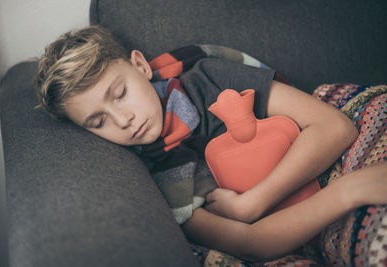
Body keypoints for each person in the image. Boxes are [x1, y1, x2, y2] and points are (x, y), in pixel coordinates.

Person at [35, 25, 387, 262]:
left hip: (338, 143)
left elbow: (335, 126)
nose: (123, 119)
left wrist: (252, 204)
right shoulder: (161, 176)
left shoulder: (207, 78)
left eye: (121, 93)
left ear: (140, 66)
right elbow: (253, 244)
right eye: (98, 122)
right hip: (322, 207)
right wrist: (347, 193)